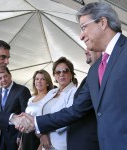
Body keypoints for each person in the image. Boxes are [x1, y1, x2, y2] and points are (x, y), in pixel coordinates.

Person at [18, 2, 127, 150]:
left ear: (102, 22)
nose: (81, 36)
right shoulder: (95, 70)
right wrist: (36, 122)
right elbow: (76, 109)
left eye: (83, 27)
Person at [39, 57, 77, 150]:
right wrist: (42, 134)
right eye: (58, 72)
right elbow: (40, 113)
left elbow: (66, 117)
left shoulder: (75, 92)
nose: (62, 74)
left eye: (65, 71)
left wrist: (42, 126)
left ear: (71, 74)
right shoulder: (51, 92)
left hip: (62, 144)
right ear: (55, 76)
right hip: (45, 144)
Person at [67, 49, 101, 150]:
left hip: (90, 142)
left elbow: (77, 109)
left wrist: (38, 123)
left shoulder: (100, 74)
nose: (86, 52)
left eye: (89, 49)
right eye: (57, 72)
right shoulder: (90, 76)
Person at [0, 67, 31, 150]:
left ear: (10, 75)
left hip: (15, 137)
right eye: (0, 78)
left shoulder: (22, 90)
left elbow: (26, 114)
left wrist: (21, 136)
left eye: (5, 76)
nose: (3, 80)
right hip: (0, 137)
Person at [20, 70, 53, 150]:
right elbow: (25, 120)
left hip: (39, 136)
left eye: (42, 79)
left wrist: (42, 143)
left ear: (47, 83)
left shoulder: (50, 98)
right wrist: (21, 140)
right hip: (26, 136)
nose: (39, 81)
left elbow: (48, 121)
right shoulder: (31, 99)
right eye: (37, 79)